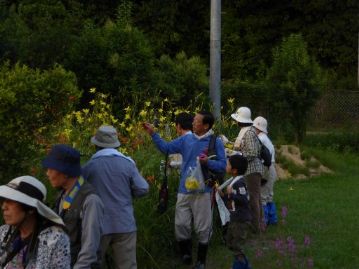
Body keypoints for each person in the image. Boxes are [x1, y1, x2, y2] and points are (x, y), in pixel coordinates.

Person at [143, 111, 226, 269]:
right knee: (181, 224)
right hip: (184, 189)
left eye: (196, 121)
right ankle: (186, 253)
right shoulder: (186, 139)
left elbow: (223, 165)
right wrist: (153, 133)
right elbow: (166, 148)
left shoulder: (215, 142)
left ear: (206, 125)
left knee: (203, 227)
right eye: (194, 120)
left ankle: (201, 261)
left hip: (204, 191)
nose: (193, 123)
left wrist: (208, 163)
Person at [82, 125, 149, 269]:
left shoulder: (89, 167)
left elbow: (79, 192)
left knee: (94, 264)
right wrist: (127, 194)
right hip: (125, 223)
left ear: (96, 145)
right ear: (116, 144)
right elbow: (143, 188)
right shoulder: (127, 163)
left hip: (98, 225)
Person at [42, 144, 104, 269]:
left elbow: (90, 248)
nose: (47, 174)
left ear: (65, 172)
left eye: (51, 169)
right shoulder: (62, 194)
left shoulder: (90, 200)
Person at [0, 175, 71, 268]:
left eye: (11, 202)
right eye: (3, 201)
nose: (4, 207)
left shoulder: (55, 239)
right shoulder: (3, 232)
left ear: (30, 209)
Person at [231, 107, 264, 233]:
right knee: (256, 197)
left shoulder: (249, 133)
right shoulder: (247, 131)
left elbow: (251, 153)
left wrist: (237, 154)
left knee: (253, 198)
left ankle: (256, 227)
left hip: (251, 170)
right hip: (251, 169)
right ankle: (259, 224)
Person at [217, 155, 252, 269]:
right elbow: (231, 201)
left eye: (228, 164)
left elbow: (243, 199)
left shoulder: (239, 183)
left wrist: (231, 194)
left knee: (237, 245)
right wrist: (223, 195)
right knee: (230, 242)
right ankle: (244, 264)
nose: (226, 166)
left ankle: (240, 265)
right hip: (235, 218)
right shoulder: (233, 181)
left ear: (234, 170)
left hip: (241, 220)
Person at [253, 116, 278, 225]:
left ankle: (263, 221)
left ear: (257, 128)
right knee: (269, 195)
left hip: (265, 167)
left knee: (262, 195)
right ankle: (272, 219)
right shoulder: (266, 138)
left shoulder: (260, 139)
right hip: (272, 167)